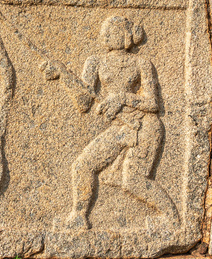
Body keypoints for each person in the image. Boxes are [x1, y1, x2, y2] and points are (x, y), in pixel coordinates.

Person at [61, 15, 177, 231]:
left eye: (111, 31)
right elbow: (84, 102)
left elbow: (153, 103)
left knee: (133, 180)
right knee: (82, 165)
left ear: (125, 36)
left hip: (144, 126)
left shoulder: (141, 63)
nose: (105, 35)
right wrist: (64, 77)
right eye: (104, 32)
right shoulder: (95, 62)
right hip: (120, 128)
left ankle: (170, 218)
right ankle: (78, 216)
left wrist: (122, 98)